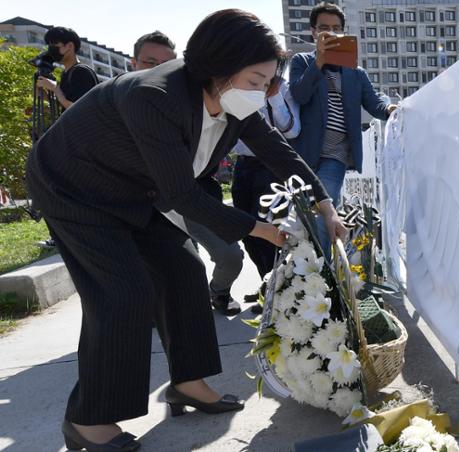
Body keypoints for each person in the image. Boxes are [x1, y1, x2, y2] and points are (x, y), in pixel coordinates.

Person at [26, 9, 345, 451]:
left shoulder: (234, 99)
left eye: (268, 83)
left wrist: (323, 202)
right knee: (123, 292)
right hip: (73, 186)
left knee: (184, 270)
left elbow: (276, 149)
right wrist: (261, 229)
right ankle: (87, 422)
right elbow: (184, 196)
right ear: (219, 69)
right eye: (256, 81)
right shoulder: (154, 95)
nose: (262, 94)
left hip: (130, 189)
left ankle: (188, 384)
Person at [131, 31, 245, 316]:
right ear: (133, 63)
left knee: (230, 255)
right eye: (149, 62)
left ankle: (218, 292)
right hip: (146, 206)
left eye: (167, 63)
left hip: (196, 198)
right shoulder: (121, 105)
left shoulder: (198, 99)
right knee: (180, 269)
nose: (158, 70)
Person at [289, 1, 397, 258]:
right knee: (299, 218)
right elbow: (300, 95)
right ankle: (302, 278)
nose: (332, 33)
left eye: (337, 28)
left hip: (335, 155)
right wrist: (319, 62)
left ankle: (324, 275)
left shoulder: (355, 72)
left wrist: (390, 108)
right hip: (305, 154)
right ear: (314, 32)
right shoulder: (302, 62)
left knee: (322, 213)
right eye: (325, 28)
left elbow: (374, 101)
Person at [232, 76, 301, 310]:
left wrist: (274, 97)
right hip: (243, 165)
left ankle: (276, 291)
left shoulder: (283, 88)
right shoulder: (237, 84)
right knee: (246, 230)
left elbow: (291, 130)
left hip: (271, 166)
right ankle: (267, 285)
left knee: (269, 230)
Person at [35, 26, 99, 249]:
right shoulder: (67, 73)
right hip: (72, 140)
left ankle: (77, 235)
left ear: (69, 46)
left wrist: (55, 89)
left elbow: (81, 108)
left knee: (72, 191)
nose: (51, 50)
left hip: (85, 143)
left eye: (55, 45)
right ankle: (67, 235)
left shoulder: (82, 72)